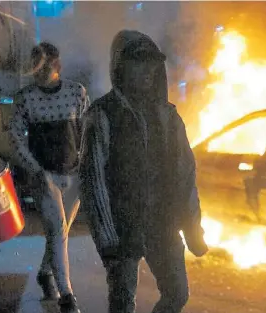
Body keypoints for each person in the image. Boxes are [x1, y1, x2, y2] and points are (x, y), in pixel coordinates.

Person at [79, 30, 208, 313]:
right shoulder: (103, 115)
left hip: (163, 225)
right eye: (139, 61)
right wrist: (108, 239)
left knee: (177, 294)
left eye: (152, 62)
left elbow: (185, 175)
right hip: (123, 227)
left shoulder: (169, 116)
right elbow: (93, 180)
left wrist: (193, 228)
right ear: (120, 66)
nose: (148, 69)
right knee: (123, 304)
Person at [9, 42, 88, 313]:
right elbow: (16, 137)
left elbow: (85, 131)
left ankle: (46, 272)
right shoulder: (25, 98)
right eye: (37, 67)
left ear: (58, 66)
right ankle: (67, 294)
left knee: (60, 232)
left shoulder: (76, 92)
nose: (41, 72)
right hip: (45, 176)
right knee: (57, 229)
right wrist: (35, 170)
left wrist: (85, 163)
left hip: (73, 174)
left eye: (46, 67)